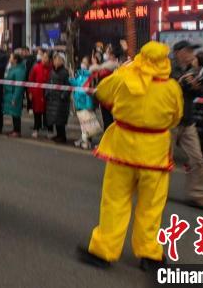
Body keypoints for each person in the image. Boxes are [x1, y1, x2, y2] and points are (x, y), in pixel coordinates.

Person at [78, 42, 183, 270]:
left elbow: (103, 93)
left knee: (114, 202)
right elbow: (176, 118)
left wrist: (124, 71)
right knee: (151, 207)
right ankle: (149, 254)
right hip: (154, 155)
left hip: (123, 150)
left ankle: (104, 250)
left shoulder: (125, 77)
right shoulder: (172, 87)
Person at [171, 41, 203, 210]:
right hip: (169, 122)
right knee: (160, 160)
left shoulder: (193, 71)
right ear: (178, 52)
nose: (192, 54)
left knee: (198, 159)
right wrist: (181, 82)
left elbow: (198, 93)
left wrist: (196, 86)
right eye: (188, 50)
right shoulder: (167, 68)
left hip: (188, 121)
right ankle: (150, 189)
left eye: (193, 50)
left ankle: (197, 194)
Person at [70, 57, 96, 149]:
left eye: (85, 63)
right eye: (82, 62)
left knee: (86, 124)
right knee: (82, 124)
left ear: (88, 65)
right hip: (78, 102)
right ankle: (83, 139)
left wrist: (89, 105)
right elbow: (76, 84)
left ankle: (86, 141)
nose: (83, 64)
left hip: (85, 103)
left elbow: (88, 93)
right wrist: (71, 78)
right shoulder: (79, 75)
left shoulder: (89, 76)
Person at [45, 53, 71, 143]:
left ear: (62, 61)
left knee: (60, 119)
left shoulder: (65, 72)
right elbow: (48, 83)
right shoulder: (52, 71)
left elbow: (68, 86)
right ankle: (58, 135)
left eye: (58, 59)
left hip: (61, 100)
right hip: (52, 98)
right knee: (54, 118)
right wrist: (47, 93)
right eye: (55, 59)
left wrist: (63, 96)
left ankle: (62, 136)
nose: (56, 61)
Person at [28, 50, 51, 139]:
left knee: (47, 113)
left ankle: (49, 130)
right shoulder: (36, 67)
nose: (44, 59)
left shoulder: (51, 68)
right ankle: (36, 129)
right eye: (43, 57)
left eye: (46, 57)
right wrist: (30, 92)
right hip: (37, 93)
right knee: (36, 113)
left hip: (47, 94)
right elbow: (31, 80)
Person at [4, 53, 26, 137]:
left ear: (15, 60)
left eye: (11, 57)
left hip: (14, 94)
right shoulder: (12, 68)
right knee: (13, 113)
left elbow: (18, 86)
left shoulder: (19, 70)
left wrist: (15, 97)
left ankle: (17, 131)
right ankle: (15, 130)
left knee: (16, 113)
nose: (9, 58)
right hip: (10, 93)